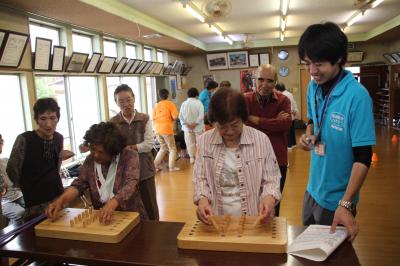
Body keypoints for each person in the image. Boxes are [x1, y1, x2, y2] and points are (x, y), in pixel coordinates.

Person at [298, 22, 376, 241]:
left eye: (319, 64)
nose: (312, 71)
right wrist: (310, 134)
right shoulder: (313, 87)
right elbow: (313, 117)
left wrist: (346, 203)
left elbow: (364, 157)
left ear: (339, 60)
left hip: (337, 201)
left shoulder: (357, 97)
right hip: (312, 190)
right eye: (307, 63)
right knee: (308, 249)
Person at [193, 88, 281, 225]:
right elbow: (200, 178)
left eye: (235, 125)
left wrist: (269, 198)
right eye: (222, 126)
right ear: (214, 122)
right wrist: (202, 200)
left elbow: (272, 178)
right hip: (216, 220)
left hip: (253, 219)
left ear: (244, 119)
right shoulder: (204, 141)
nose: (229, 132)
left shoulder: (260, 140)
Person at [46, 122, 147, 223]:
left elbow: (131, 184)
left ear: (113, 151)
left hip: (131, 216)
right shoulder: (90, 160)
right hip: (102, 218)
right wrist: (61, 201)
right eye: (93, 149)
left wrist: (112, 203)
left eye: (101, 152)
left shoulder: (129, 156)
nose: (95, 155)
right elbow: (79, 184)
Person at [244, 64, 292, 216]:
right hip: (249, 157)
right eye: (260, 79)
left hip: (277, 158)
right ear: (254, 80)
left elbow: (285, 125)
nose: (264, 84)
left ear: (276, 81)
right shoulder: (245, 100)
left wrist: (255, 119)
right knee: (250, 201)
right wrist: (273, 121)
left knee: (273, 203)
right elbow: (241, 125)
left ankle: (273, 237)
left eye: (269, 80)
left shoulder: (283, 101)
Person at [109, 84, 159, 220]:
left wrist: (128, 148)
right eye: (121, 101)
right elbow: (112, 146)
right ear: (116, 103)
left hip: (145, 169)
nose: (126, 104)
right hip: (124, 171)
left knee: (150, 204)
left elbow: (148, 145)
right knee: (129, 206)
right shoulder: (113, 123)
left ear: (134, 99)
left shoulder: (144, 118)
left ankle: (155, 230)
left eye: (128, 99)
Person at [7, 98, 64, 216]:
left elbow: (56, 166)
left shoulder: (59, 138)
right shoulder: (25, 139)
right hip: (34, 201)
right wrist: (23, 184)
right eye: (43, 118)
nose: (48, 124)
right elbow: (12, 168)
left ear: (58, 118)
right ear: (36, 120)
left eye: (52, 118)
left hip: (57, 196)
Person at [0, 134, 25, 225]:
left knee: (36, 208)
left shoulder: (6, 160)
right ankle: (14, 235)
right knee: (20, 213)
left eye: (0, 142)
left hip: (18, 195)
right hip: (4, 201)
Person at [153, 89, 180, 172]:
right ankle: (171, 167)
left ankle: (155, 165)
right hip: (166, 129)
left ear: (159, 96)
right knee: (172, 148)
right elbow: (175, 116)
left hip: (157, 129)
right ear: (168, 95)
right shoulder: (170, 104)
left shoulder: (156, 105)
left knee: (163, 148)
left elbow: (153, 118)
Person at [179, 87, 204, 164]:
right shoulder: (199, 103)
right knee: (200, 142)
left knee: (190, 143)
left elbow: (180, 116)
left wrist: (187, 124)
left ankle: (192, 158)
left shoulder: (184, 104)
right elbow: (201, 115)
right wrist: (195, 123)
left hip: (187, 128)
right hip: (198, 127)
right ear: (196, 95)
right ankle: (200, 157)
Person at [275, 82, 298, 149]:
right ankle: (293, 144)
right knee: (292, 130)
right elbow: (294, 103)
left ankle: (289, 145)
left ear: (278, 89)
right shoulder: (289, 94)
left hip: (287, 115)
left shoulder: (282, 95)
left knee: (288, 131)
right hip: (292, 114)